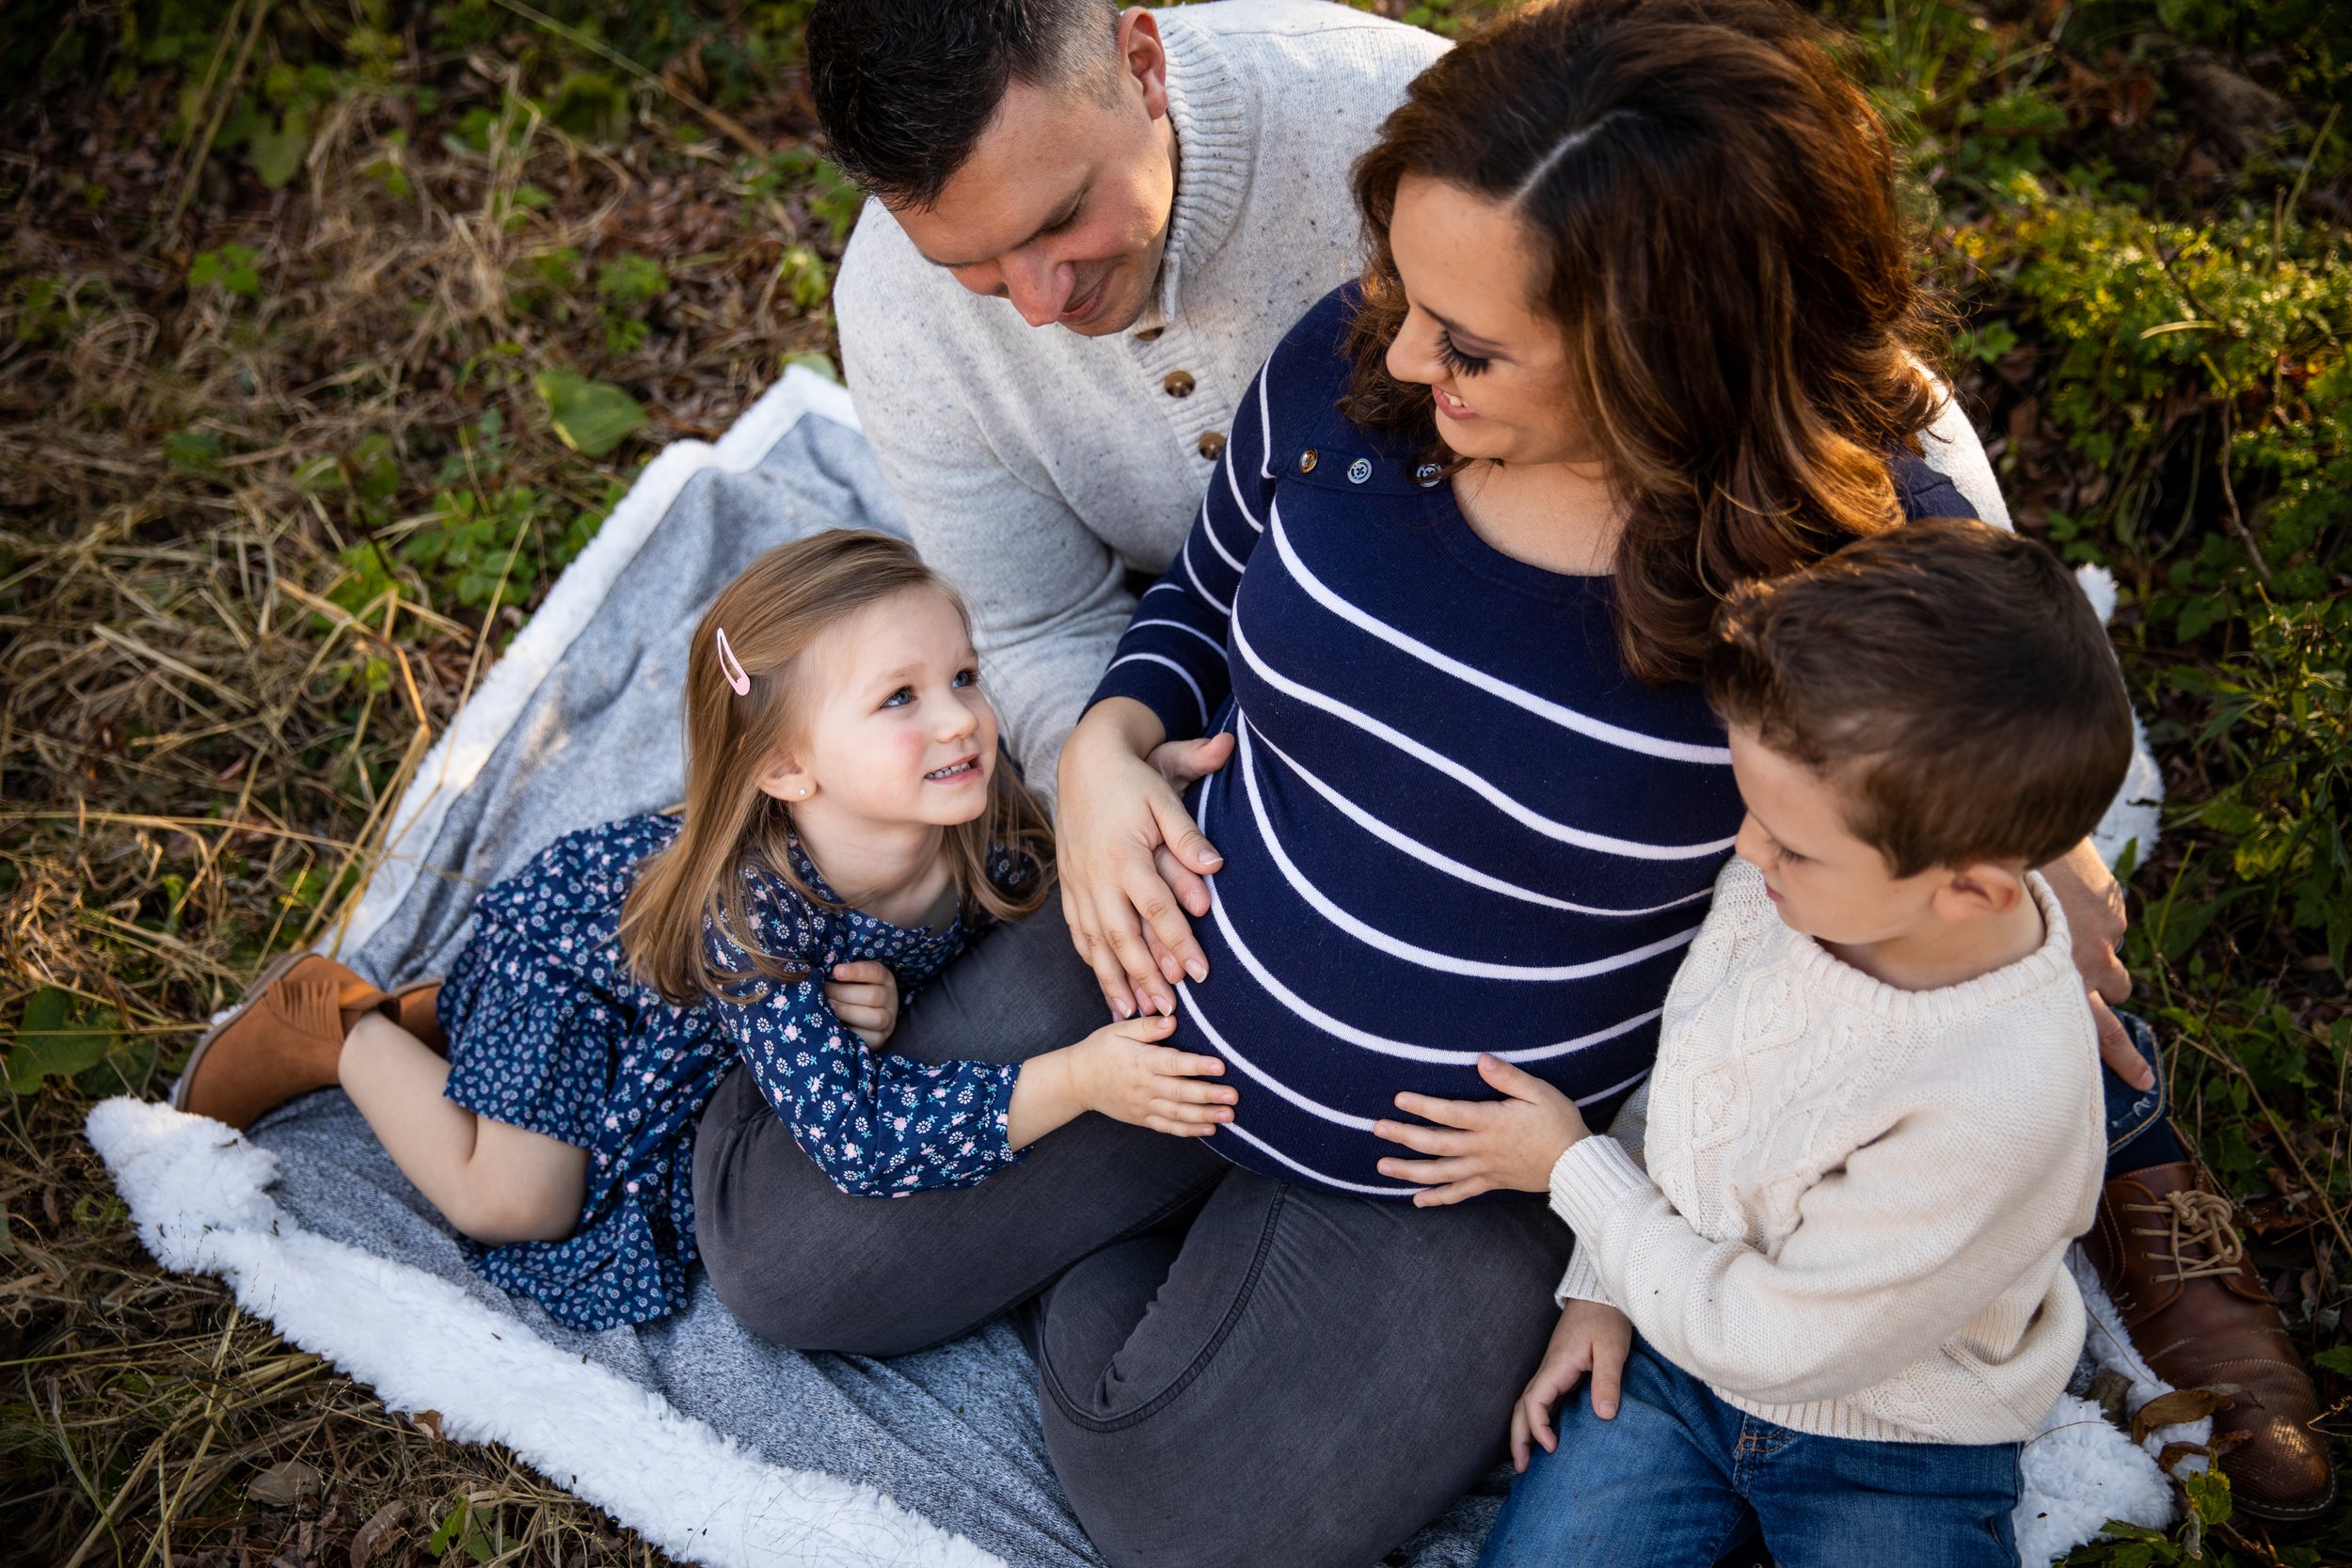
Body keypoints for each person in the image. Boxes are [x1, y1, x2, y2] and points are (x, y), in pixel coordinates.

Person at [172, 531, 1230, 1330]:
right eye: (898, 698)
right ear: (785, 768)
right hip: (576, 966)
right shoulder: (753, 916)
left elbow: (1048, 875)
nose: (958, 717)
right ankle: (341, 1025)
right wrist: (1078, 1080)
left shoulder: (984, 817)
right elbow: (854, 1140)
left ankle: (446, 1016)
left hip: (691, 996)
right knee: (518, 1200)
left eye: (961, 675)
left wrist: (1134, 784)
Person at [1374, 520, 2125, 1566]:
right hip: (1675, 1363)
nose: (1742, 847)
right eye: (1753, 810)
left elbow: (1774, 1342)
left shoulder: (1999, 1097)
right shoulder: (1787, 894)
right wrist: (1599, 1286)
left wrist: (1571, 1173)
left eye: (1791, 841)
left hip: (1900, 1433)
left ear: (1970, 889)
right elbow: (1690, 1091)